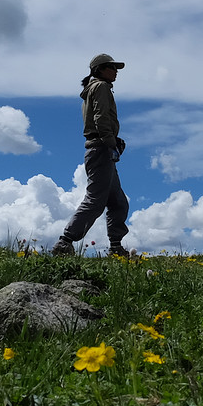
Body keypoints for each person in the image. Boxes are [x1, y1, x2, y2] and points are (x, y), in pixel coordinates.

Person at [52, 53, 131, 257]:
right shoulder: (101, 87)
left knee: (118, 202)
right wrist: (110, 142)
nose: (116, 72)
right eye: (112, 67)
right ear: (100, 70)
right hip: (101, 147)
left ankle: (115, 247)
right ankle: (65, 242)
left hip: (100, 147)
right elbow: (101, 116)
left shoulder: (92, 89)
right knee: (96, 199)